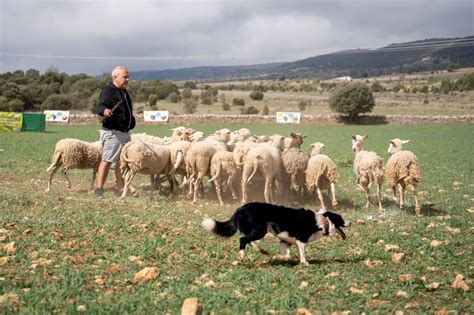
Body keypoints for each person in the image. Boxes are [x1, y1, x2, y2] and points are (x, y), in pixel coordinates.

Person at [95, 66, 136, 197]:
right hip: (113, 133)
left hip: (125, 132)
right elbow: (101, 105)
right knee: (107, 160)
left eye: (128, 76)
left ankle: (120, 188)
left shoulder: (124, 92)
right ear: (115, 77)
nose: (127, 79)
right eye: (125, 77)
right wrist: (104, 111)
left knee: (121, 162)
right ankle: (99, 190)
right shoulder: (108, 91)